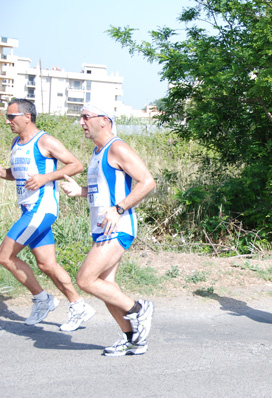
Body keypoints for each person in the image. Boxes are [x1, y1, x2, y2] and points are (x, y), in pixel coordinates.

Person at [61, 103, 156, 356]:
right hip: (101, 228)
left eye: (86, 117)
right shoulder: (98, 152)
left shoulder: (117, 147)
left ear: (104, 120)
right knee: (106, 285)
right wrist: (78, 191)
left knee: (85, 280)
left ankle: (138, 309)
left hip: (119, 226)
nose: (81, 122)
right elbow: (101, 191)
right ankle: (132, 338)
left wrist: (120, 208)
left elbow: (147, 181)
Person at [0, 98, 95, 331]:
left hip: (41, 209)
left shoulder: (44, 140)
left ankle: (42, 299)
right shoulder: (16, 142)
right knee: (46, 264)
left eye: (11, 117)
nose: (7, 121)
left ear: (26, 117)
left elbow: (76, 164)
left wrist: (46, 177)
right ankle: (78, 305)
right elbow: (17, 173)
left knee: (4, 256)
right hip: (29, 209)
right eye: (6, 117)